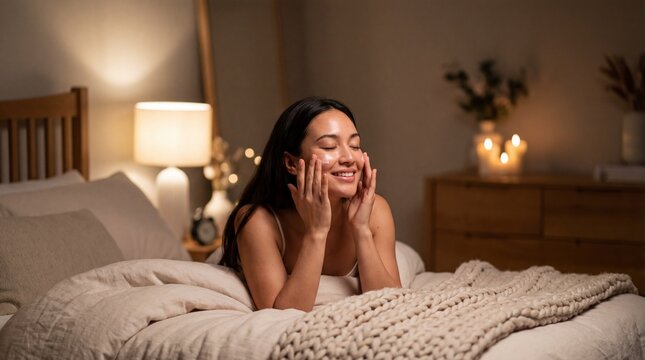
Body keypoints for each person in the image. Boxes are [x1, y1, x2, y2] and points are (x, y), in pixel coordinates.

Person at [220, 97, 401, 312]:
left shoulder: (375, 209)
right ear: (291, 163)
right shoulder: (258, 221)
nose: (349, 158)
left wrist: (361, 230)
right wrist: (316, 232)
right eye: (329, 146)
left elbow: (391, 303)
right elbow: (281, 315)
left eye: (355, 145)